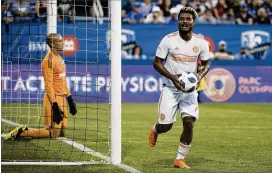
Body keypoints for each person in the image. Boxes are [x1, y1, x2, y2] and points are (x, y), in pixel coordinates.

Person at [147, 7, 210, 168]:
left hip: (189, 91)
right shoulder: (168, 40)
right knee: (166, 126)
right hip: (170, 88)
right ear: (178, 21)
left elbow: (206, 64)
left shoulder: (201, 43)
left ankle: (179, 159)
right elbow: (156, 63)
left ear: (194, 22)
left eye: (188, 19)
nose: (185, 21)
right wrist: (173, 77)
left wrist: (198, 77)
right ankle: (156, 129)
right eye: (182, 18)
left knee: (189, 122)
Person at [4, 33, 77, 140]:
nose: (63, 43)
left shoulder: (59, 58)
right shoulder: (48, 60)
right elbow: (48, 85)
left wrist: (69, 98)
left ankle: (39, 129)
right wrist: (54, 105)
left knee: (62, 132)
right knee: (53, 134)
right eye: (60, 41)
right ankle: (23, 132)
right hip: (54, 98)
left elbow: (63, 80)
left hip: (62, 98)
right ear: (52, 43)